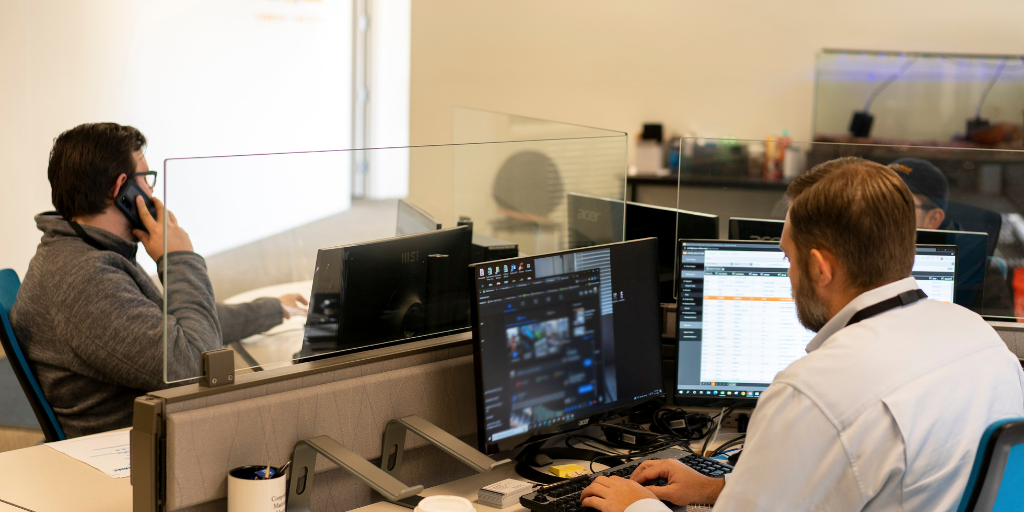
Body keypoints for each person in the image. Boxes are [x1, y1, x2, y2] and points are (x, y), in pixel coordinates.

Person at [579, 157, 1024, 512]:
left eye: (788, 259)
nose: (788, 276)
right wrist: (720, 490)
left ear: (819, 267)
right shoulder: (981, 339)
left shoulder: (812, 393)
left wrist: (636, 506)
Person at [9, 123, 307, 438]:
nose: (152, 193)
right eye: (147, 181)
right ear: (122, 189)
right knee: (300, 416)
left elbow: (173, 325)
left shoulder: (82, 250)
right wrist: (179, 258)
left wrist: (271, 310)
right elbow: (197, 370)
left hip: (156, 429)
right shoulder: (85, 280)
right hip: (138, 452)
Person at [887, 157, 1012, 315]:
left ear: (933, 218)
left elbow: (1001, 334)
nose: (881, 212)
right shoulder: (869, 254)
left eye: (896, 203)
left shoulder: (977, 271)